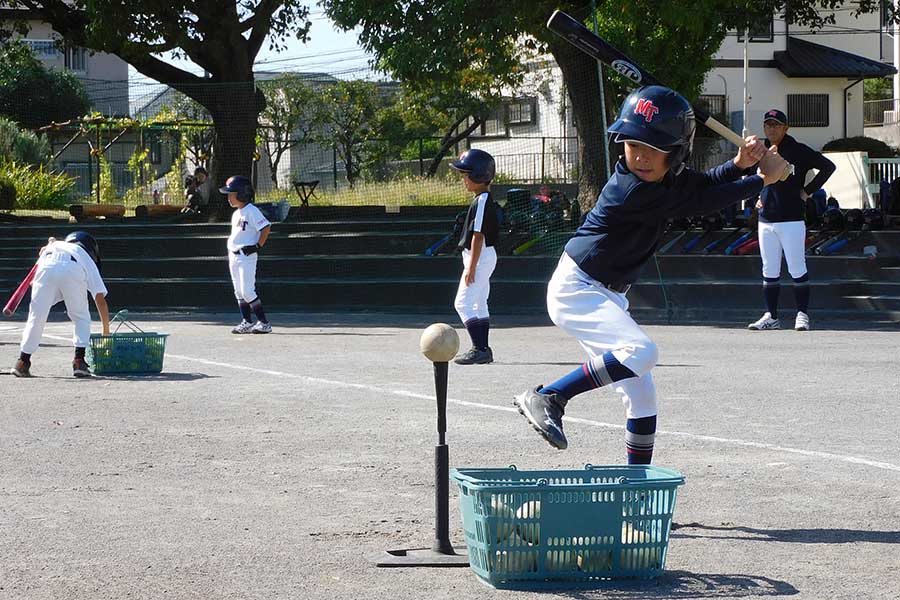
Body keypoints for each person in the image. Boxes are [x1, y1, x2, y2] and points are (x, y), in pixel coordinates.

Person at [513, 85, 788, 459]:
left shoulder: (666, 180)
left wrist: (740, 164)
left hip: (606, 292)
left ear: (674, 155)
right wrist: (762, 179)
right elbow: (705, 201)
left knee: (642, 396)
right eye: (633, 145)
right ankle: (551, 397)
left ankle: (635, 494)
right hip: (577, 289)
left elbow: (703, 184)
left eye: (652, 149)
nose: (640, 156)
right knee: (640, 351)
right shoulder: (633, 189)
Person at [748, 109, 835, 332]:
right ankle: (771, 316)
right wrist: (755, 197)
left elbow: (828, 167)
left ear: (786, 128)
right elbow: (750, 176)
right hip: (766, 219)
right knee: (769, 269)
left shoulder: (798, 150)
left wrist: (808, 191)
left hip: (792, 219)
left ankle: (802, 314)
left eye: (776, 125)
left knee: (797, 267)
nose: (771, 128)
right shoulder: (761, 150)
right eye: (768, 124)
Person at [11, 231, 110, 378]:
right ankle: (79, 362)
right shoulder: (83, 254)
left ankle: (22, 362)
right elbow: (100, 300)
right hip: (73, 269)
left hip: (45, 268)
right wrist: (106, 331)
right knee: (80, 316)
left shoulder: (52, 247)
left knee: (36, 316)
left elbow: (34, 282)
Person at [449, 148, 500, 365]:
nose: (464, 180)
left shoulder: (481, 201)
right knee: (479, 303)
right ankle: (484, 349)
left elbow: (478, 236)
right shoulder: (483, 198)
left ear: (479, 176)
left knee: (462, 303)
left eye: (466, 175)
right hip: (485, 256)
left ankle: (479, 348)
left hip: (478, 257)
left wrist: (471, 266)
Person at [222, 175, 273, 334]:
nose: (229, 197)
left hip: (246, 255)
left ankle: (264, 323)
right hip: (234, 255)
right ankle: (246, 321)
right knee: (238, 291)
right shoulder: (236, 213)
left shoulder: (251, 210)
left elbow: (265, 227)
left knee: (247, 291)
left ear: (242, 193)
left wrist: (258, 245)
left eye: (232, 193)